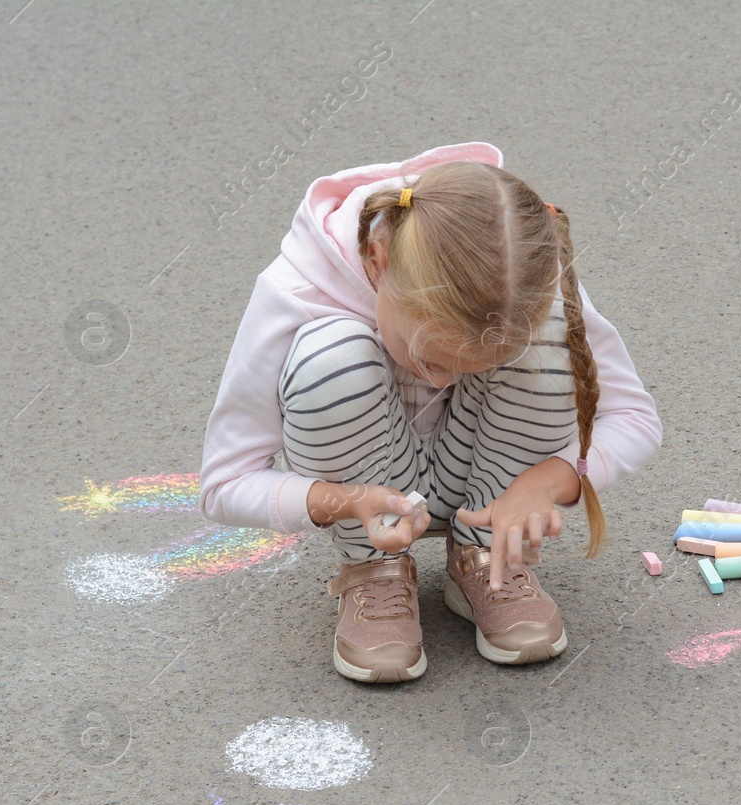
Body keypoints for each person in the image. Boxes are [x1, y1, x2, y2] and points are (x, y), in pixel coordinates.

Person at [200, 142, 661, 682]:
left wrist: (547, 481)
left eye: (473, 364)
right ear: (377, 258)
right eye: (429, 356)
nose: (442, 379)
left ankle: (488, 557)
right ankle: (374, 571)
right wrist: (342, 502)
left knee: (550, 336)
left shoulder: (518, 279)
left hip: (488, 484)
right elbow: (224, 484)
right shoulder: (296, 289)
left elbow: (634, 418)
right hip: (369, 503)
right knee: (331, 357)